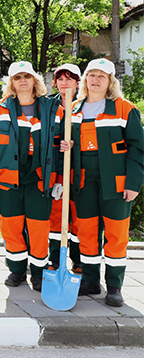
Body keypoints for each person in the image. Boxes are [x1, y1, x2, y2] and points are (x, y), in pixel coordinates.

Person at [59, 58, 144, 307]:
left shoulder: (124, 109)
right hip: (83, 181)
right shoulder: (73, 109)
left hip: (116, 183)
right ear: (85, 80)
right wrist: (68, 145)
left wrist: (133, 183)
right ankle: (91, 280)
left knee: (116, 235)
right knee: (86, 232)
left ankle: (115, 286)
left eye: (102, 76)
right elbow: (70, 142)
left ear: (110, 82)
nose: (95, 80)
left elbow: (138, 149)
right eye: (91, 75)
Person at [0, 61, 58, 291]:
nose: (23, 80)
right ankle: (17, 270)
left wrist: (60, 178)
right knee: (11, 227)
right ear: (11, 83)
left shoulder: (52, 109)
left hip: (39, 180)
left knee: (39, 228)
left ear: (35, 81)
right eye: (17, 77)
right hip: (8, 179)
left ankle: (39, 273)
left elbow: (62, 145)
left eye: (27, 76)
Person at [48, 63, 82, 273]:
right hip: (55, 172)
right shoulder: (48, 106)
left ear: (78, 83)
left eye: (69, 78)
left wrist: (73, 143)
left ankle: (78, 261)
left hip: (79, 171)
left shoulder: (85, 105)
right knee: (55, 218)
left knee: (78, 219)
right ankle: (55, 260)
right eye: (60, 79)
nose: (64, 82)